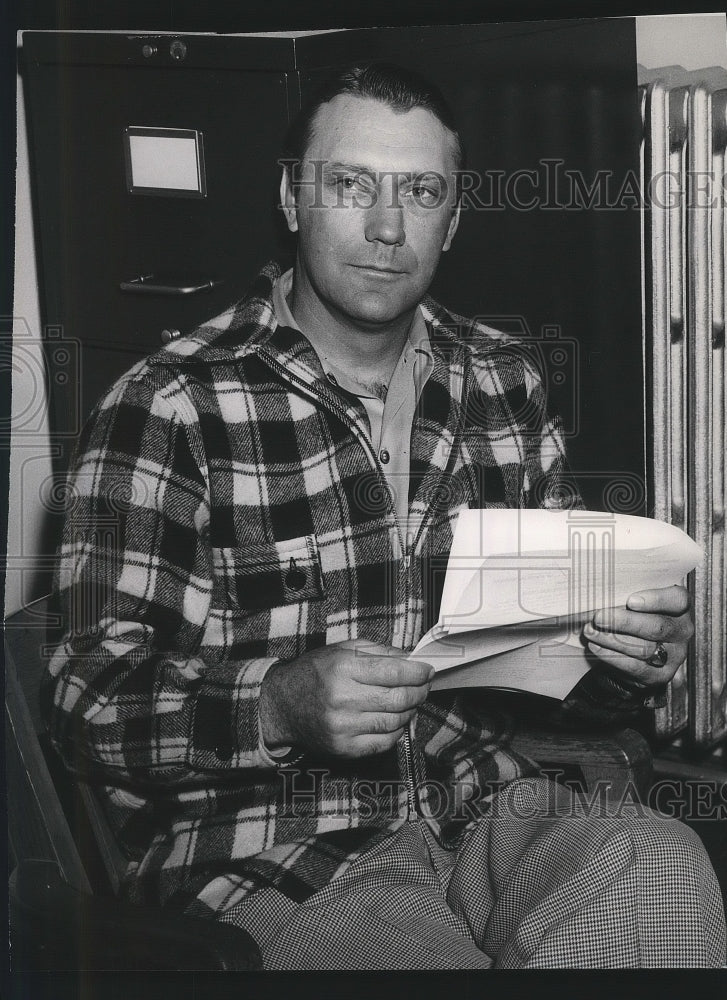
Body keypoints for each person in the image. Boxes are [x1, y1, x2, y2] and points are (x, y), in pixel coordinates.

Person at [42, 62, 725, 969]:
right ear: (293, 198)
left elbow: (559, 675)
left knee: (662, 865)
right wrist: (276, 704)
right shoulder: (169, 404)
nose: (386, 226)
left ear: (454, 216)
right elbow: (85, 700)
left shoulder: (502, 381)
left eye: (420, 191)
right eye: (351, 184)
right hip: (274, 849)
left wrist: (622, 658)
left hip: (486, 804)